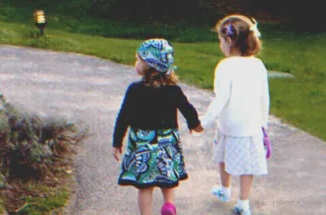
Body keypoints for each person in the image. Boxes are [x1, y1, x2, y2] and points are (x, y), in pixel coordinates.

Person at [112, 38, 203, 215]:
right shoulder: (173, 90)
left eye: (138, 60)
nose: (136, 63)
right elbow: (187, 109)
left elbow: (124, 116)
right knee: (167, 178)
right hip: (166, 142)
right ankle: (169, 205)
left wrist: (117, 141)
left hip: (142, 143)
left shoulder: (135, 90)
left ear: (149, 65)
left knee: (145, 186)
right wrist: (195, 125)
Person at [200, 14, 270, 215]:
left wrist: (204, 122)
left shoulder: (225, 66)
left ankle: (224, 189)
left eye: (221, 41)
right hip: (251, 126)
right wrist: (263, 124)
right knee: (246, 166)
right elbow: (264, 97)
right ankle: (243, 203)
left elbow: (220, 99)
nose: (220, 45)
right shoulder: (258, 65)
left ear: (229, 41)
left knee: (223, 156)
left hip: (229, 125)